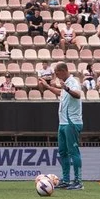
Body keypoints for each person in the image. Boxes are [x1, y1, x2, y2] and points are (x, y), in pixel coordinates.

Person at [38, 62, 83, 190]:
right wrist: (47, 86)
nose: (57, 76)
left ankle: (78, 181)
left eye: (57, 74)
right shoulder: (65, 85)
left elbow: (78, 94)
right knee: (63, 152)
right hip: (63, 123)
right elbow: (60, 92)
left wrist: (66, 88)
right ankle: (66, 180)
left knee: (73, 151)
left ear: (63, 71)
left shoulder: (72, 82)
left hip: (72, 122)